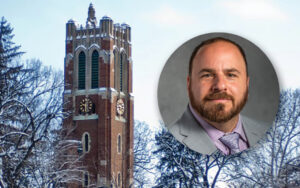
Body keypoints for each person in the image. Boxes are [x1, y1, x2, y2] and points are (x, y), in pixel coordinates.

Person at [169, 37, 269, 155]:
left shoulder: (268, 133)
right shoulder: (171, 141)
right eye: (207, 75)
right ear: (189, 84)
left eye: (231, 75)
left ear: (246, 84)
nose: (220, 86)